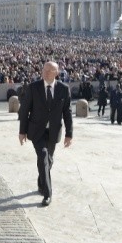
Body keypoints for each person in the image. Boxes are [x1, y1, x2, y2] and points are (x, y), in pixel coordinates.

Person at [18, 61, 74, 207]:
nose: (46, 72)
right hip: (36, 130)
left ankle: (41, 181)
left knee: (48, 161)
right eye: (44, 69)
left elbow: (67, 113)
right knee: (43, 155)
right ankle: (47, 194)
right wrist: (22, 131)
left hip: (53, 131)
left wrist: (69, 134)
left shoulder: (63, 89)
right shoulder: (33, 87)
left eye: (50, 70)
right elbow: (24, 110)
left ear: (56, 73)